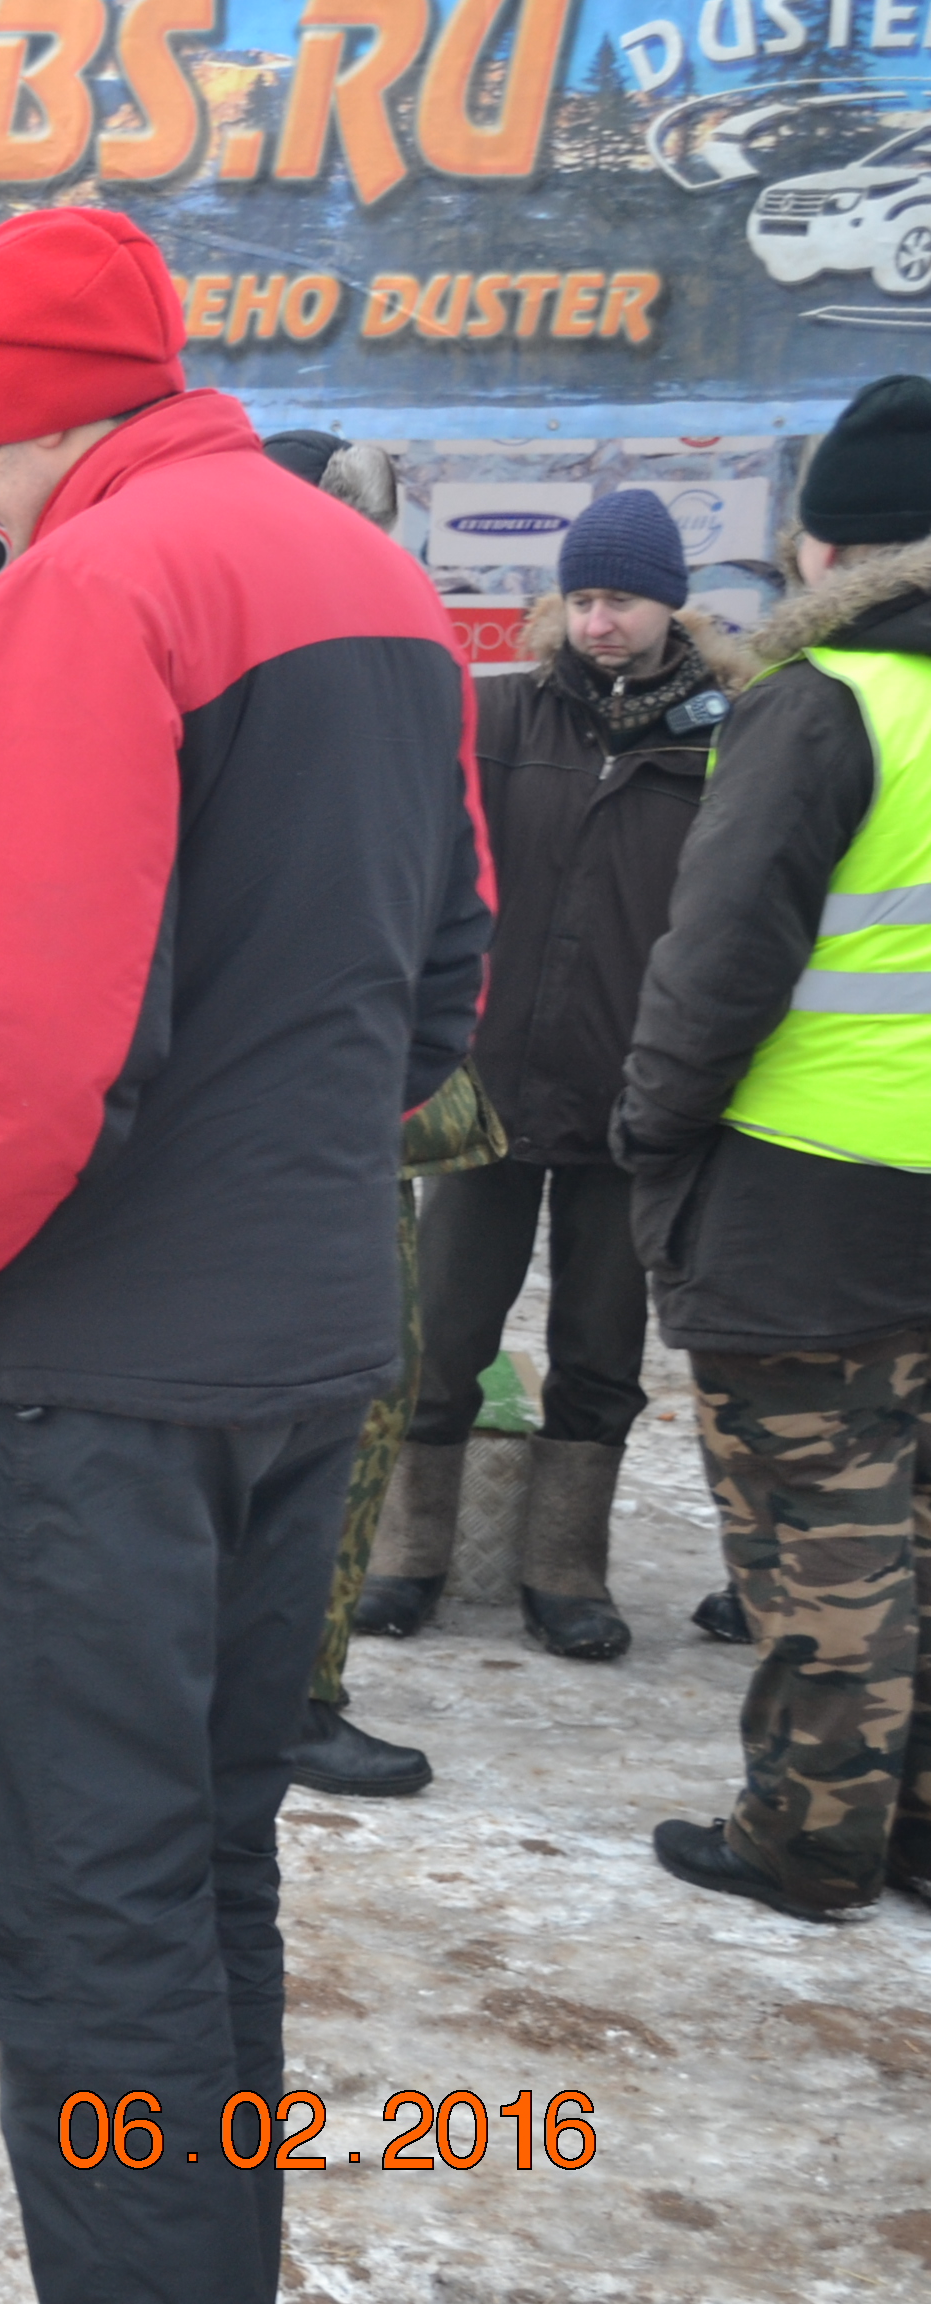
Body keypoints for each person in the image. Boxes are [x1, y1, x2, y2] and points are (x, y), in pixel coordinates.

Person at [0, 211, 487, 2300]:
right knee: (209, 1872)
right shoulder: (376, 581)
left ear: (35, 416)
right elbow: (442, 988)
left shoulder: (90, 587)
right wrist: (273, 1168)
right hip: (310, 1333)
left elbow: (28, 1043)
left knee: (85, 1913)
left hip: (98, 1378)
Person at [622, 373, 931, 1922]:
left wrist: (652, 1131)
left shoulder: (827, 703)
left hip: (811, 1187)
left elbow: (721, 959)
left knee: (830, 1541)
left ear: (828, 548)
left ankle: (808, 1842)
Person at [357, 489, 744, 1662]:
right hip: (486, 1085)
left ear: (669, 603)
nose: (597, 622)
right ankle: (406, 1554)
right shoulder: (495, 715)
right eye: (581, 599)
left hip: (635, 1093)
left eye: (619, 600)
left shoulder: (725, 739)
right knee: (442, 1336)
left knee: (601, 1346)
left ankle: (566, 1569)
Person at [254, 429, 507, 1804]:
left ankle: (294, 1691)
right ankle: (260, 1697)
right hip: (260, 1131)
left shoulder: (392, 670)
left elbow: (448, 895)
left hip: (355, 1119)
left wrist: (410, 1072)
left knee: (356, 1412)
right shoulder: (242, 676)